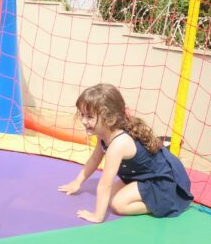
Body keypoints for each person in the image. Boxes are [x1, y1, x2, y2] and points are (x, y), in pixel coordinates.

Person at [58, 83, 194, 223]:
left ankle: (165, 203)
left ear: (110, 119)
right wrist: (77, 182)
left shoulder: (118, 144)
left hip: (162, 183)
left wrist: (98, 216)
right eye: (82, 115)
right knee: (109, 197)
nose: (83, 121)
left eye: (90, 116)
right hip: (141, 176)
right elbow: (94, 159)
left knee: (118, 204)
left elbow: (105, 184)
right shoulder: (105, 134)